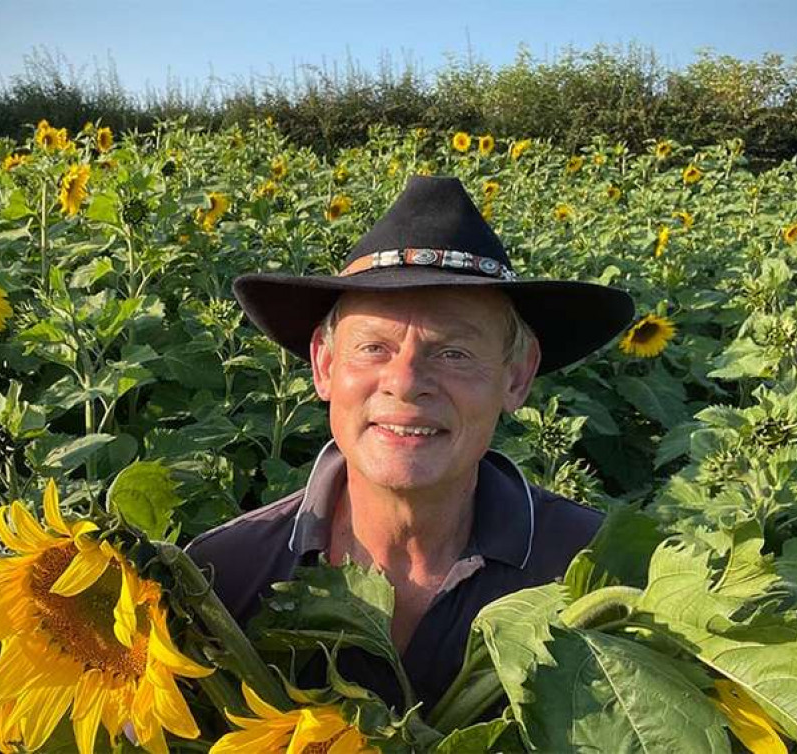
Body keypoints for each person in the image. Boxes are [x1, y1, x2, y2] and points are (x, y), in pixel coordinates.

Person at [186, 175, 634, 713]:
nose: (405, 380)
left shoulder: (599, 575)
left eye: (453, 353)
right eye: (374, 347)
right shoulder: (221, 581)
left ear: (516, 377)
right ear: (325, 368)